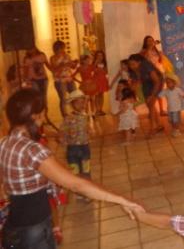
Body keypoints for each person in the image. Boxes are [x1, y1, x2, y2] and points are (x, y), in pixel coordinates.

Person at [0, 89, 142, 249]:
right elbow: (76, 185)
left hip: (14, 227)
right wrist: (121, 200)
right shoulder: (32, 150)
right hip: (35, 230)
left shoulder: (5, 143)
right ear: (34, 116)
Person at [60, 90, 92, 192]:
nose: (81, 104)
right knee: (75, 172)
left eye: (83, 102)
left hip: (85, 148)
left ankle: (87, 191)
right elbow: (62, 132)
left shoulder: (85, 115)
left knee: (86, 171)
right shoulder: (68, 118)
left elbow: (87, 129)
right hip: (72, 149)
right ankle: (79, 191)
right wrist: (62, 140)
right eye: (78, 102)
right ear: (72, 104)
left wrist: (90, 131)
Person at [128, 53, 164, 135]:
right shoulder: (132, 70)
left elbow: (157, 81)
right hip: (146, 83)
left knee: (150, 103)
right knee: (149, 104)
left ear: (139, 62)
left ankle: (153, 127)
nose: (131, 66)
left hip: (157, 81)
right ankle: (158, 125)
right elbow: (135, 83)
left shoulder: (146, 66)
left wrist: (152, 95)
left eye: (133, 64)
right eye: (130, 64)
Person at [22, 47, 54, 129]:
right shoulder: (26, 59)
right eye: (28, 49)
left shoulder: (41, 55)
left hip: (43, 79)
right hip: (33, 80)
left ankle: (45, 117)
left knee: (44, 99)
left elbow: (48, 65)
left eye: (31, 48)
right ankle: (38, 118)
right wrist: (25, 80)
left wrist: (55, 71)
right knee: (37, 99)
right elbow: (25, 71)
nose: (30, 50)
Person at [141, 36, 170, 116]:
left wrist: (161, 56)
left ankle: (162, 110)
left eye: (152, 40)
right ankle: (151, 111)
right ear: (145, 43)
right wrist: (150, 48)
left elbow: (160, 61)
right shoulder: (144, 51)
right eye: (148, 41)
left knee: (160, 91)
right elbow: (144, 59)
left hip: (159, 71)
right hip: (150, 73)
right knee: (152, 92)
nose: (151, 42)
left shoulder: (157, 51)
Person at [159, 73, 184, 137]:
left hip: (176, 109)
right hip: (169, 109)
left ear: (174, 83)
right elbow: (159, 96)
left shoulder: (178, 90)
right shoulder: (165, 91)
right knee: (171, 121)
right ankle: (174, 129)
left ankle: (176, 130)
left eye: (170, 82)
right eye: (167, 83)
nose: (168, 84)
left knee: (175, 121)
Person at [49, 40, 77, 117]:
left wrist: (74, 63)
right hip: (59, 80)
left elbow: (72, 66)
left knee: (74, 95)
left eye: (63, 48)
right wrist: (64, 64)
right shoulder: (53, 58)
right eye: (62, 48)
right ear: (57, 49)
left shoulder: (67, 56)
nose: (63, 50)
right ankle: (65, 115)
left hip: (69, 79)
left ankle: (75, 110)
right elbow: (54, 69)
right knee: (63, 98)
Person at [92, 51, 109, 116]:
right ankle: (97, 110)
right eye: (98, 55)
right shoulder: (94, 63)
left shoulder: (105, 63)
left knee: (101, 94)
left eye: (101, 55)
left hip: (103, 80)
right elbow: (92, 70)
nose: (100, 57)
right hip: (96, 80)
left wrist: (103, 70)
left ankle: (101, 109)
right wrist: (95, 63)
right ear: (96, 56)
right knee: (96, 94)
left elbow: (106, 71)